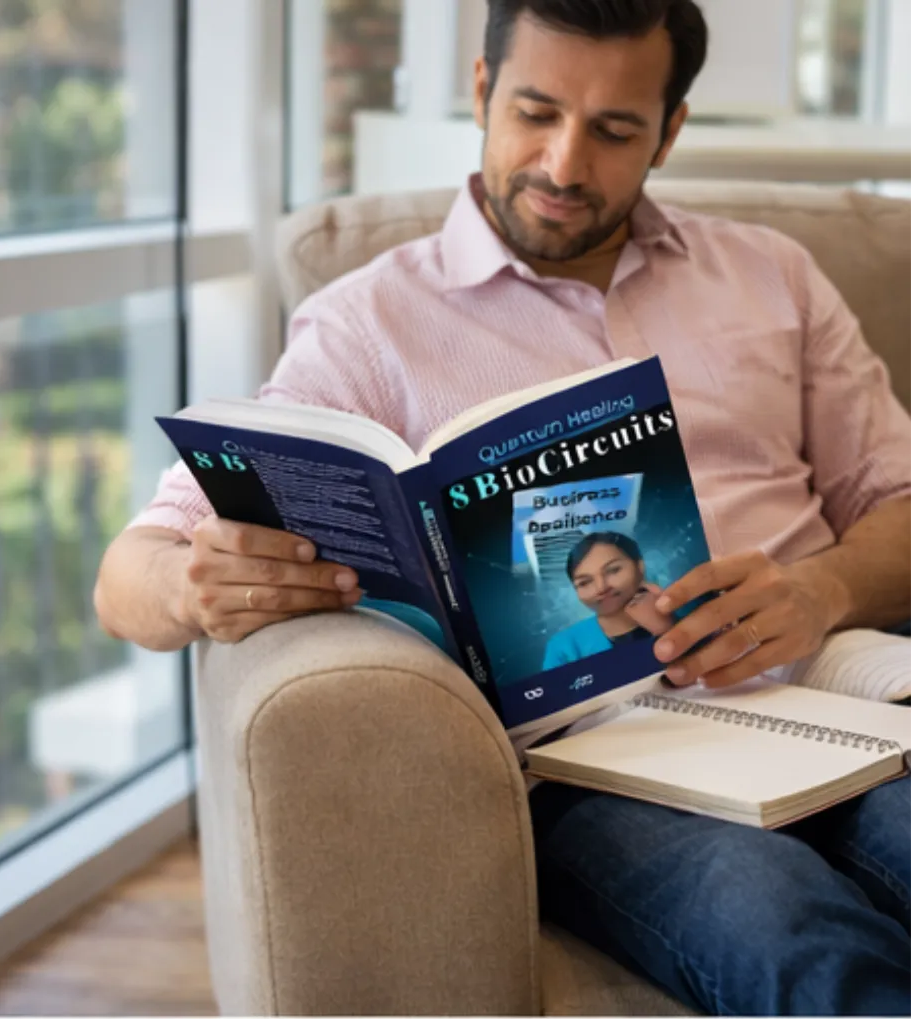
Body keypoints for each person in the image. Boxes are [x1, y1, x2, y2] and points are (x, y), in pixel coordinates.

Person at [94, 0, 911, 1013]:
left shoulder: (773, 276)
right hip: (602, 764)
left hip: (835, 696)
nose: (564, 164)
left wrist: (821, 589)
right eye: (535, 112)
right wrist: (189, 583)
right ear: (482, 90)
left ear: (669, 131)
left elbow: (899, 498)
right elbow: (129, 577)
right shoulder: (368, 325)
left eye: (614, 130)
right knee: (791, 935)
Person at [542, 531, 674, 668]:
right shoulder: (563, 647)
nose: (601, 588)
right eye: (585, 582)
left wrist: (667, 630)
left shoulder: (681, 614)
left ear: (640, 567)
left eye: (613, 570)